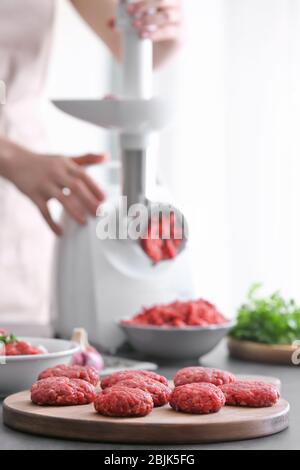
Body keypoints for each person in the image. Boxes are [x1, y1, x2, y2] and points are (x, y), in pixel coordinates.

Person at [0, 0, 183, 329]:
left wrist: (162, 26)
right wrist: (10, 157)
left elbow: (134, 48)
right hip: (21, 166)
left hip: (23, 200)